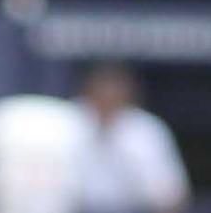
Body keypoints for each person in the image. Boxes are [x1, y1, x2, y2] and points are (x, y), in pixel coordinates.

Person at [64, 63, 191, 213]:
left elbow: (173, 196)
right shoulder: (65, 123)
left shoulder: (147, 130)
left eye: (114, 93)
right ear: (87, 93)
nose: (108, 98)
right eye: (101, 93)